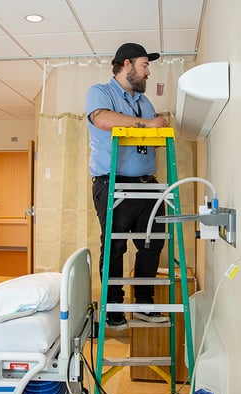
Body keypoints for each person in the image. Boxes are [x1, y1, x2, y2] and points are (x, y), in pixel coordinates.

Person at [85, 43, 170, 331]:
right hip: (113, 184)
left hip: (148, 186)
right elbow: (102, 119)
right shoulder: (100, 92)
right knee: (115, 246)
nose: (148, 72)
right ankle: (115, 310)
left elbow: (152, 133)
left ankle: (145, 304)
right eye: (144, 65)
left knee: (152, 244)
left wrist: (156, 127)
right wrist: (146, 125)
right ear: (126, 65)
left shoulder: (145, 103)